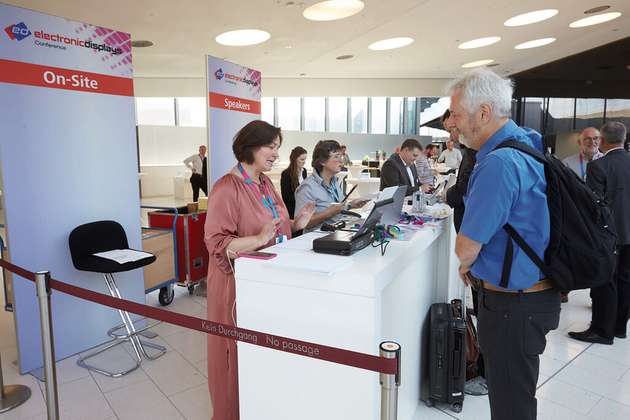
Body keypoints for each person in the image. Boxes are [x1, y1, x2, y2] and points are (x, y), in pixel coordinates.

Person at [450, 68, 560, 420]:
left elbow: (466, 247)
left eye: (455, 113)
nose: (452, 122)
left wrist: (466, 264)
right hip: (531, 298)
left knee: (511, 403)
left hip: (514, 305)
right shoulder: (526, 144)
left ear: (483, 113)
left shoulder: (498, 163)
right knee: (516, 395)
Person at [204, 120, 315, 420]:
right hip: (234, 288)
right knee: (235, 358)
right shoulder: (227, 187)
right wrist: (257, 240)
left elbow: (277, 229)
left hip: (265, 283)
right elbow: (216, 244)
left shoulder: (265, 183)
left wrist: (298, 224)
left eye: (278, 147)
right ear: (251, 146)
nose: (276, 154)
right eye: (272, 147)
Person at [569, 121, 630, 344]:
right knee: (625, 280)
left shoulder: (599, 166)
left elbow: (594, 205)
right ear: (624, 139)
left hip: (609, 235)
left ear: (602, 141)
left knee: (605, 281)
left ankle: (602, 331)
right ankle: (619, 327)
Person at [294, 140, 367, 231]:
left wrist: (350, 205)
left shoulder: (335, 182)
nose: (341, 161)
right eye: (336, 157)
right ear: (322, 161)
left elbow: (337, 208)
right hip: (316, 239)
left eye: (341, 156)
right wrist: (328, 213)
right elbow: (300, 224)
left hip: (338, 233)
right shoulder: (307, 188)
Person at [280, 146, 308, 218]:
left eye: (305, 159)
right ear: (294, 159)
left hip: (303, 209)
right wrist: (301, 198)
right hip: (292, 211)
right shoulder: (286, 174)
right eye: (302, 159)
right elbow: (285, 196)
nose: (304, 162)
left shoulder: (304, 171)